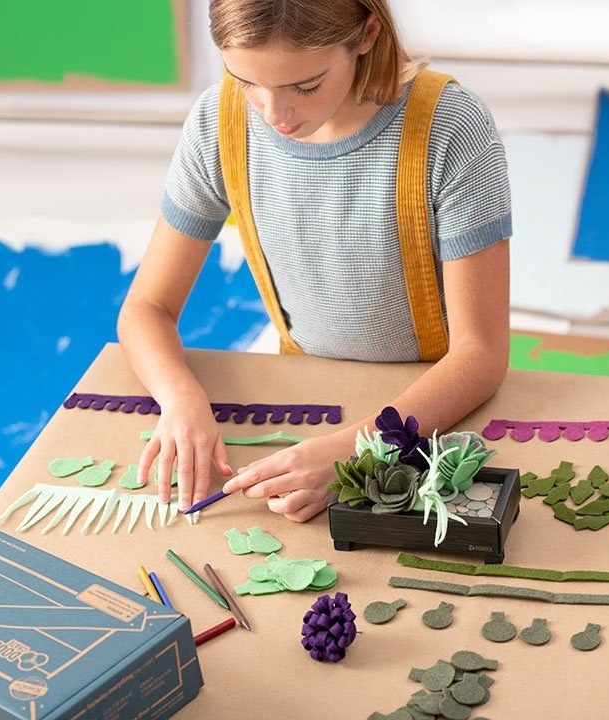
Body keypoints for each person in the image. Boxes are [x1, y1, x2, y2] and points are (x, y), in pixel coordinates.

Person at [117, 0, 511, 522]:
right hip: (306, 397)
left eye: (305, 87)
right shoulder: (219, 123)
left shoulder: (450, 128)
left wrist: (358, 450)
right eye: (246, 80)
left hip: (439, 410)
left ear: (368, 33)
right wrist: (180, 398)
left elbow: (480, 355)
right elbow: (146, 306)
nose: (274, 113)